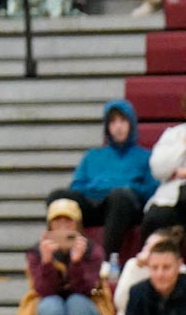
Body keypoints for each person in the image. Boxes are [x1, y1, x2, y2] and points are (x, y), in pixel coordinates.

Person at [48, 99, 157, 258]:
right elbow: (77, 186)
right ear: (107, 127)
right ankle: (59, 257)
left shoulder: (145, 156)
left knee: (119, 196)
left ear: (131, 124)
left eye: (122, 121)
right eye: (113, 122)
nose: (118, 126)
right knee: (58, 197)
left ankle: (106, 260)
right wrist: (98, 189)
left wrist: (127, 187)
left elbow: (151, 189)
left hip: (124, 206)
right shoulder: (92, 156)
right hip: (94, 202)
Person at [146, 92, 186, 234]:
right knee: (155, 219)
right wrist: (182, 144)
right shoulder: (173, 135)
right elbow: (158, 169)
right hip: (171, 198)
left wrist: (183, 172)